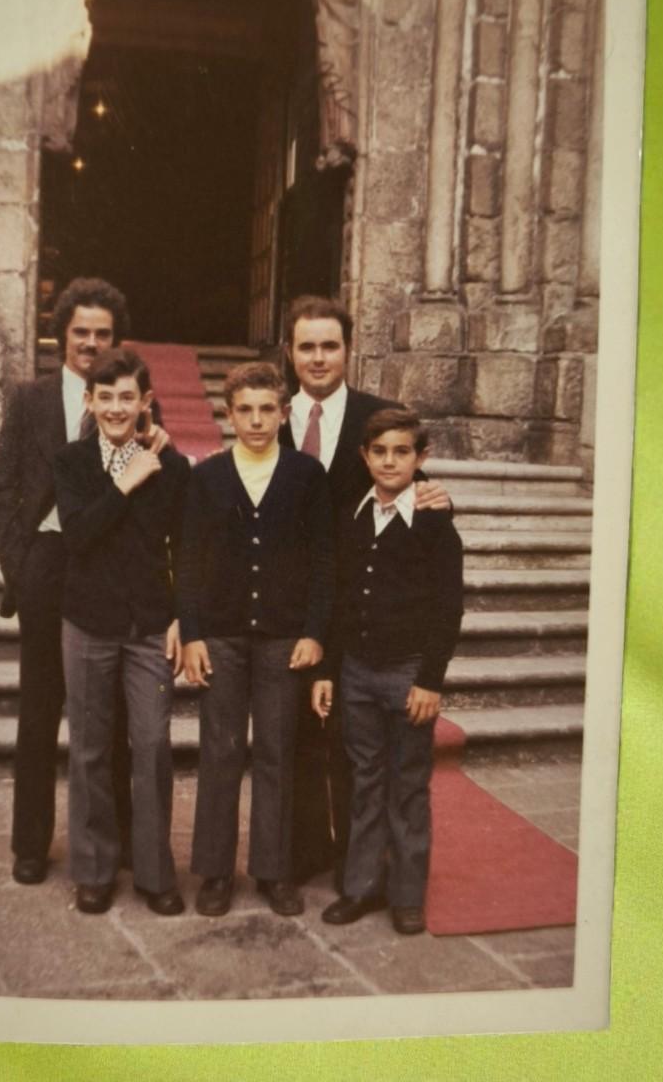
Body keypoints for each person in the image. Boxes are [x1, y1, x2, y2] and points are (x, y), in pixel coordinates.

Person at [0, 277, 160, 885]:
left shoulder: (132, 401)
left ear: (117, 339)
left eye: (103, 334)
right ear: (63, 336)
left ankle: (119, 844)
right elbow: (3, 491)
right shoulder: (31, 400)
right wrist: (22, 565)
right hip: (48, 568)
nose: (91, 343)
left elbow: (153, 485)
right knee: (40, 713)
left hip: (109, 573)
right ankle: (30, 844)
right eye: (81, 332)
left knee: (107, 715)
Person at [279, 295, 453, 890]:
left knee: (359, 752)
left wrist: (440, 498)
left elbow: (407, 476)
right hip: (288, 605)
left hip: (355, 606)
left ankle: (364, 864)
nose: (319, 358)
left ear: (348, 350)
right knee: (298, 734)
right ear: (290, 353)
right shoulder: (270, 417)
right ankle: (304, 855)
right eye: (307, 346)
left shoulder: (378, 418)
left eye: (330, 345)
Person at [178, 362, 334, 918]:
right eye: (245, 409)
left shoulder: (306, 475)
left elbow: (323, 561)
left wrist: (315, 632)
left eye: (268, 409)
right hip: (220, 635)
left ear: (284, 413)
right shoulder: (208, 477)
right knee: (220, 752)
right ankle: (216, 872)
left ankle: (274, 870)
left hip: (282, 639)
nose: (257, 420)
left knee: (276, 753)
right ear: (228, 414)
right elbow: (189, 561)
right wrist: (192, 634)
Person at [311, 407, 464, 935]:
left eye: (402, 452)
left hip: (407, 675)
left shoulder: (434, 520)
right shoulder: (355, 514)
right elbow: (339, 598)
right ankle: (359, 886)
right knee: (364, 781)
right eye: (379, 451)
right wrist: (330, 669)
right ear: (365, 456)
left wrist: (430, 680)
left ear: (421, 459)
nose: (389, 461)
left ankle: (406, 894)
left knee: (408, 784)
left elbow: (449, 606)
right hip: (356, 671)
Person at [52, 348, 190, 916]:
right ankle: (94, 869)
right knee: (87, 748)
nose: (115, 407)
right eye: (104, 397)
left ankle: (156, 873)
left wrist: (184, 616)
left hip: (150, 627)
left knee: (154, 746)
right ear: (89, 401)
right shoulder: (71, 462)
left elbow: (185, 547)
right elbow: (79, 535)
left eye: (126, 397)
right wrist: (124, 482)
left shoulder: (171, 467)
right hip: (87, 623)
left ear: (145, 402)